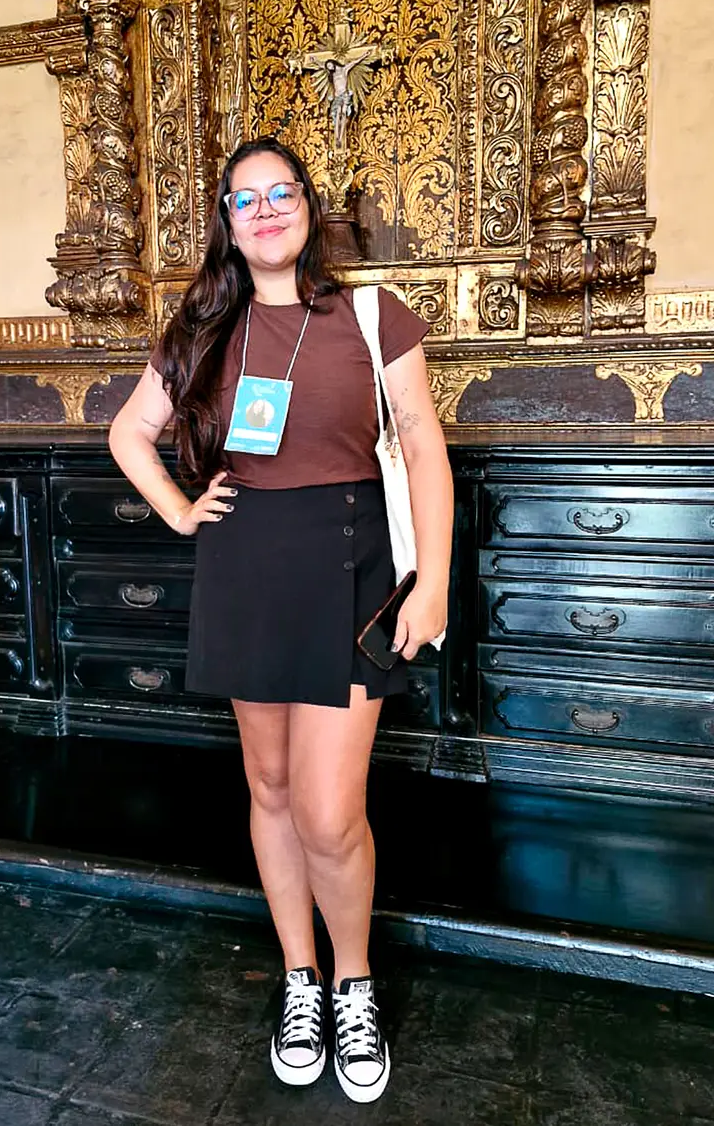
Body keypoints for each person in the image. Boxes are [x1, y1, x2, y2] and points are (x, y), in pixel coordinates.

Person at [109, 137, 454, 1104]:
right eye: (245, 199)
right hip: (246, 568)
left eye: (281, 193)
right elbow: (128, 432)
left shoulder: (373, 316)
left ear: (308, 207)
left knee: (329, 811)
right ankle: (301, 978)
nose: (265, 210)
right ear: (227, 221)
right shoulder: (202, 327)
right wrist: (182, 510)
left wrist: (433, 581)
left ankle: (354, 984)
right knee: (268, 786)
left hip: (351, 568)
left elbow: (423, 444)